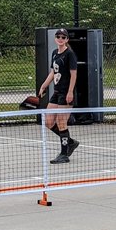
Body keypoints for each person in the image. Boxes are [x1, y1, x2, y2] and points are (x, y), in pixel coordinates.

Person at [38, 28, 78, 164]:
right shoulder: (55, 53)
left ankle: (64, 154)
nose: (60, 39)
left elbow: (74, 74)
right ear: (55, 39)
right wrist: (44, 85)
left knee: (61, 122)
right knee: (49, 122)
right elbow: (53, 72)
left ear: (66, 39)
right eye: (58, 36)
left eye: (63, 37)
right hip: (56, 92)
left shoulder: (70, 54)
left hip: (66, 93)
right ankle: (70, 142)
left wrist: (70, 92)